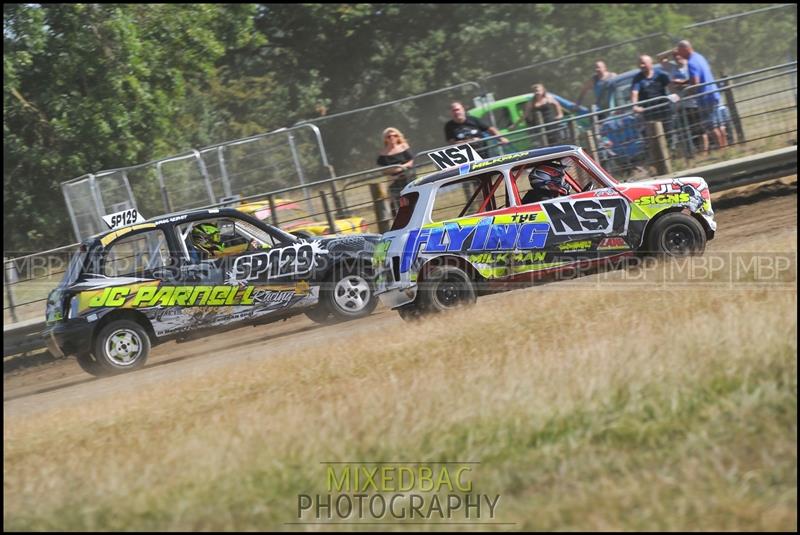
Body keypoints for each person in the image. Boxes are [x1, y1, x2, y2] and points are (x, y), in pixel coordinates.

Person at [674, 39, 727, 154]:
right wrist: (684, 83)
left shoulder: (691, 63)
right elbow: (698, 78)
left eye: (680, 51)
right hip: (713, 93)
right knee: (718, 124)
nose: (679, 55)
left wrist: (684, 92)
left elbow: (696, 84)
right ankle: (725, 148)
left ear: (685, 49)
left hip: (705, 97)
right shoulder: (699, 57)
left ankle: (722, 151)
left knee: (711, 126)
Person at [444, 101, 508, 158]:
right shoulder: (449, 126)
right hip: (466, 158)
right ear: (450, 113)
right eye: (454, 111)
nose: (456, 112)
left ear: (463, 110)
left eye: (458, 109)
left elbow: (491, 129)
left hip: (484, 154)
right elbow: (452, 144)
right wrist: (470, 141)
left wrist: (501, 138)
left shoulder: (473, 120)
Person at [377, 127, 415, 210]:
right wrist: (397, 170)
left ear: (398, 136)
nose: (392, 138)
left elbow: (411, 162)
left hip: (409, 178)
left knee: (414, 201)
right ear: (385, 139)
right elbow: (384, 170)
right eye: (389, 136)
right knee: (400, 205)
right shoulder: (383, 153)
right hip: (394, 182)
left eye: (394, 135)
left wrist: (400, 168)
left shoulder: (404, 146)